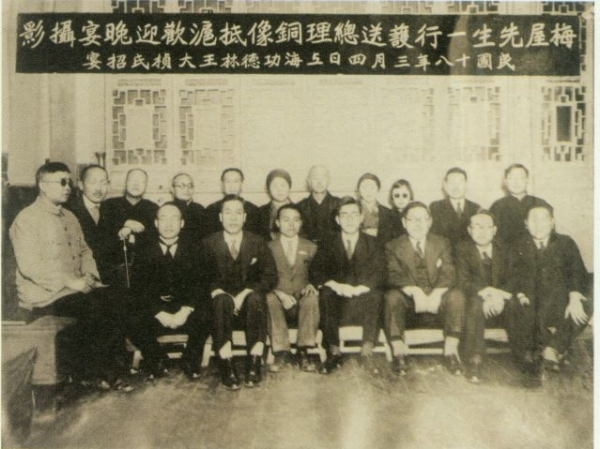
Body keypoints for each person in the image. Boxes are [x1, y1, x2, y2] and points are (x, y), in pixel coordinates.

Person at [9, 162, 131, 391]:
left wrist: (91, 278)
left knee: (120, 296)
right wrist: (71, 282)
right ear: (43, 185)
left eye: (69, 182)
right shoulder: (26, 220)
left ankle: (104, 370)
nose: (67, 187)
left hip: (74, 291)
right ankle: (98, 373)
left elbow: (85, 252)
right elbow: (30, 267)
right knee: (97, 306)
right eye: (61, 182)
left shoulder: (69, 217)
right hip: (45, 298)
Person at [506, 204, 591, 383]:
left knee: (587, 304)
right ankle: (542, 354)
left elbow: (578, 273)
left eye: (543, 219)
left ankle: (552, 348)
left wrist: (574, 298)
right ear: (526, 223)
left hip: (561, 304)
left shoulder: (566, 243)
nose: (538, 224)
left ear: (552, 222)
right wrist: (520, 293)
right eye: (533, 220)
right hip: (532, 306)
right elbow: (511, 277)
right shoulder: (517, 245)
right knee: (516, 307)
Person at [201, 195, 278, 390]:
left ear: (244, 217)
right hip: (220, 307)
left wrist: (247, 292)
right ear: (220, 217)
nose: (233, 218)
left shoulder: (257, 241)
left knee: (255, 298)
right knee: (221, 301)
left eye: (238, 213)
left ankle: (254, 362)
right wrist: (218, 291)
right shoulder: (209, 243)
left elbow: (270, 276)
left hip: (250, 307)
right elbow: (201, 277)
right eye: (228, 213)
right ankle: (226, 364)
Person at [129, 203, 211, 380]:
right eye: (163, 219)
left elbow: (200, 285)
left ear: (182, 223)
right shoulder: (144, 251)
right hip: (157, 311)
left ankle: (190, 359)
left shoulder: (195, 249)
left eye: (174, 219)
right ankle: (156, 358)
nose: (168, 224)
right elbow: (139, 289)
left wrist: (185, 310)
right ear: (156, 223)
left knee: (206, 312)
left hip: (184, 310)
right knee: (132, 317)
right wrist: (159, 313)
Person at [384, 202, 465, 376]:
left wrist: (436, 293)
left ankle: (451, 351)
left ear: (430, 222)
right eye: (413, 220)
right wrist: (414, 291)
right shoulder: (393, 246)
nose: (418, 224)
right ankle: (399, 352)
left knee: (456, 296)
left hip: (436, 300)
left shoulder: (442, 243)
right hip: (410, 302)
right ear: (404, 223)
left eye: (422, 219)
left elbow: (449, 272)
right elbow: (393, 275)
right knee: (392, 297)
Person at [310, 196, 385, 375]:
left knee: (376, 294)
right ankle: (334, 352)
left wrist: (360, 288)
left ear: (361, 218)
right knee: (326, 293)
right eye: (344, 215)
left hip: (363, 301)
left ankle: (367, 351)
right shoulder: (327, 243)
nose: (349, 219)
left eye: (354, 215)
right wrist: (337, 286)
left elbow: (380, 272)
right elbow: (317, 272)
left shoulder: (373, 243)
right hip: (338, 304)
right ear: (337, 220)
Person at [456, 210, 514, 383]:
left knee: (518, 304)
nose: (482, 231)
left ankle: (526, 357)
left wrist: (497, 295)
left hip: (501, 301)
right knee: (474, 305)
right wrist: (486, 293)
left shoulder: (505, 249)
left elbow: (513, 279)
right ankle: (474, 359)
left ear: (494, 230)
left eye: (487, 227)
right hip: (476, 301)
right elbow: (462, 281)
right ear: (469, 230)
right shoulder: (462, 249)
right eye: (477, 226)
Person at [266, 204, 319, 373]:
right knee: (269, 299)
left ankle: (304, 351)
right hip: (278, 301)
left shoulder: (311, 247)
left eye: (296, 220)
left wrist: (312, 285)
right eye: (286, 220)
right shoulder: (268, 247)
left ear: (301, 223)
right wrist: (278, 292)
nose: (291, 224)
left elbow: (318, 274)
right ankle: (281, 352)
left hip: (302, 300)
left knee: (312, 298)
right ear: (277, 223)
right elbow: (262, 278)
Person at [66, 164, 120, 284]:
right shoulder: (69, 210)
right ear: (81, 185)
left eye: (103, 183)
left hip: (107, 280)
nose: (98, 189)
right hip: (79, 279)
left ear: (109, 185)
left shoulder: (112, 210)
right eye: (93, 182)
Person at [103, 169, 158, 280]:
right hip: (112, 268)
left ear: (146, 185)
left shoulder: (153, 208)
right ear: (125, 183)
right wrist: (123, 223)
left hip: (146, 269)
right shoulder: (108, 205)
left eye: (141, 181)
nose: (136, 184)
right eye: (132, 180)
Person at [490, 164, 548, 245]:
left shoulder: (539, 203)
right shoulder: (497, 206)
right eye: (512, 178)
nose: (516, 182)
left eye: (521, 178)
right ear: (506, 181)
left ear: (527, 180)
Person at [430, 167, 480, 248]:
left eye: (460, 182)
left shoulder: (475, 208)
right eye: (452, 183)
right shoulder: (435, 207)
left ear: (466, 185)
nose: (456, 187)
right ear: (445, 185)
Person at [204, 168, 259, 235]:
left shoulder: (253, 210)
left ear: (242, 184)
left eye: (236, 181)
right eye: (228, 181)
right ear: (222, 185)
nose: (232, 186)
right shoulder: (211, 210)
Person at [297, 165, 340, 245]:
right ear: (309, 181)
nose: (319, 182)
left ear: (329, 180)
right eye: (315, 178)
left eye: (323, 178)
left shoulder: (339, 204)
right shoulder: (300, 207)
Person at [356, 173, 395, 245]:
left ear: (378, 189)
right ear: (359, 190)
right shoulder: (352, 210)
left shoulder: (387, 213)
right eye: (364, 187)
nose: (368, 191)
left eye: (372, 187)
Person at [257, 169, 293, 241]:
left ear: (289, 187)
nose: (279, 190)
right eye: (275, 186)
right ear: (268, 189)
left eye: (283, 185)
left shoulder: (300, 210)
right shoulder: (259, 212)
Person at [171, 173, 207, 244]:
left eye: (190, 186)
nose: (186, 189)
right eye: (181, 186)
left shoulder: (200, 209)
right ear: (172, 189)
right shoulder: (167, 208)